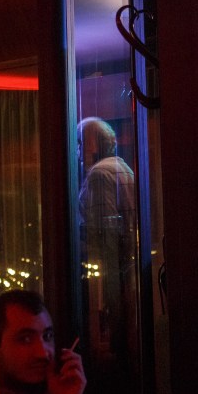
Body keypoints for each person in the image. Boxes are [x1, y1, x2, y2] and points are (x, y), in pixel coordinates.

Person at [77, 116, 137, 365]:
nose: (78, 151)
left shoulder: (100, 174)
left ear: (91, 144)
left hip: (111, 265)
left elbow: (107, 226)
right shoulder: (123, 167)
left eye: (80, 143)